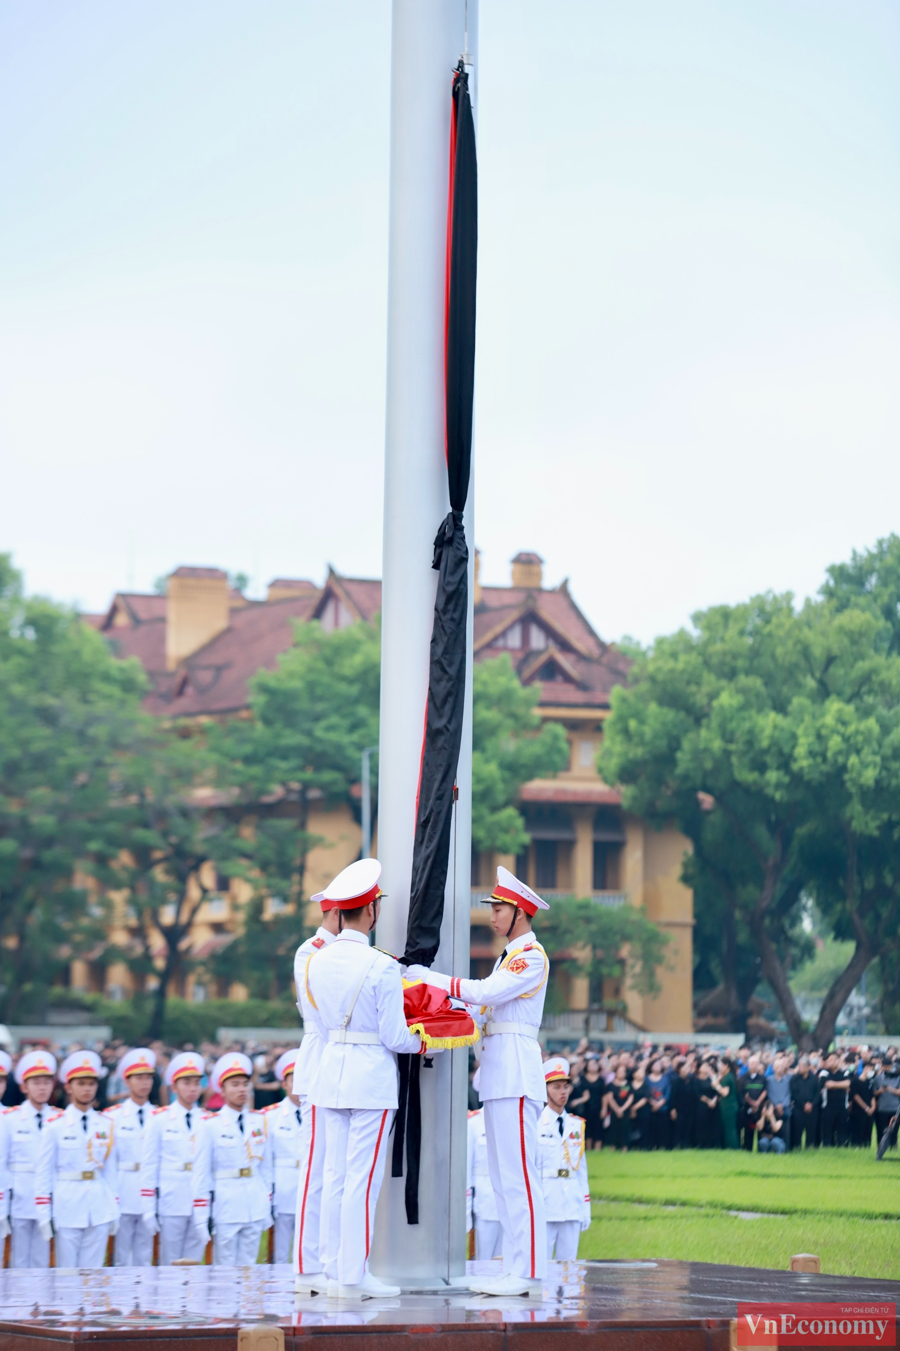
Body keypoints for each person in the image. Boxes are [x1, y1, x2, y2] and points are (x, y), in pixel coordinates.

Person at [409, 864, 550, 1299]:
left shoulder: (530, 955)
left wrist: (431, 979)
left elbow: (486, 995)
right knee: (504, 1177)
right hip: (498, 1075)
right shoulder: (510, 956)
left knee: (519, 1177)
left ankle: (526, 1272)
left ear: (520, 913)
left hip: (515, 1075)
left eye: (499, 907)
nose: (491, 914)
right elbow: (477, 1013)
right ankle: (517, 1268)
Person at [306, 858, 427, 1300]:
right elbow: (396, 1036)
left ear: (341, 911)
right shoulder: (380, 966)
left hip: (330, 1073)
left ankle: (336, 1269)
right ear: (371, 911)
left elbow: (318, 1026)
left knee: (335, 1176)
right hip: (371, 1080)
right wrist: (426, 1040)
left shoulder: (316, 961)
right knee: (362, 1179)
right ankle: (354, 1276)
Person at [291, 881, 341, 1293]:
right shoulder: (312, 950)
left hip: (341, 1061)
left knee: (339, 1170)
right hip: (322, 1054)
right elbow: (318, 1012)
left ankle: (333, 1260)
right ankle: (308, 1265)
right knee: (317, 1169)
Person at [34, 1050, 119, 1269]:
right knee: (67, 1273)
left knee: (93, 1275)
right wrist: (44, 1212)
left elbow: (110, 1171)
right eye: (81, 1083)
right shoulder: (55, 1125)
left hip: (98, 1205)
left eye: (91, 1083)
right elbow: (44, 1171)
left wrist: (114, 1208)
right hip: (67, 1204)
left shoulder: (105, 1124)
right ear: (69, 1087)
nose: (87, 1088)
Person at [140, 1050, 211, 1264]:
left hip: (201, 1198)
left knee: (195, 1259)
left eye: (196, 1083)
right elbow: (149, 1164)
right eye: (186, 1083)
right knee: (170, 1260)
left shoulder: (209, 1120)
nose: (192, 1089)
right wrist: (148, 1207)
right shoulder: (159, 1120)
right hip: (172, 1198)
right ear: (174, 1087)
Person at [205, 1051, 273, 1265]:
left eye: (245, 1084)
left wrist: (267, 1203)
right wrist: (202, 1211)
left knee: (250, 1267)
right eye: (234, 1084)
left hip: (254, 1202)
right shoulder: (210, 1125)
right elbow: (202, 1172)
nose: (242, 1089)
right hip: (226, 1204)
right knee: (224, 1268)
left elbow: (266, 1168)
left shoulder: (259, 1121)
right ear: (222, 1090)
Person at [0, 1050, 58, 1268]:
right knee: (19, 1259)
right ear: (25, 1087)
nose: (42, 1088)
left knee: (43, 1259)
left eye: (46, 1082)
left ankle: (41, 1302)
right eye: (36, 1083)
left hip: (50, 1196)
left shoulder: (59, 1118)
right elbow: (2, 1163)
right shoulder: (10, 1119)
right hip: (20, 1196)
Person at [105, 1046, 156, 1266]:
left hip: (149, 1190)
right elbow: (108, 1161)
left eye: (148, 1078)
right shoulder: (112, 1117)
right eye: (138, 1078)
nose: (144, 1083)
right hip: (123, 1188)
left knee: (145, 1253)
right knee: (121, 1254)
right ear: (127, 1081)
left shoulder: (161, 1116)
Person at [538, 1058, 590, 1261]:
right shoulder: (535, 1124)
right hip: (546, 1202)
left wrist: (585, 1207)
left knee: (569, 1265)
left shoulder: (576, 1125)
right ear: (545, 1090)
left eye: (566, 1087)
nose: (563, 1092)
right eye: (556, 1087)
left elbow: (581, 1171)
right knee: (543, 1264)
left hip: (571, 1202)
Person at [263, 1048, 304, 1264]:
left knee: (308, 1249)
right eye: (293, 1079)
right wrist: (269, 1194)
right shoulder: (270, 1116)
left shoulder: (321, 1113)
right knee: (280, 1252)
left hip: (310, 1190)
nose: (298, 1084)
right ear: (284, 1084)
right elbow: (267, 1161)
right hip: (283, 1191)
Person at [467, 1102, 503, 1259]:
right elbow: (466, 1169)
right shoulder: (473, 1123)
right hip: (484, 1204)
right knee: (482, 1261)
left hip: (508, 1204)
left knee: (505, 1262)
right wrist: (467, 1210)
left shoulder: (509, 1121)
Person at [820, 1054, 851, 1147]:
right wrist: (841, 1085)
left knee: (842, 1131)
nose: (833, 1061)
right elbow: (828, 1085)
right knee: (828, 1131)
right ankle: (828, 1148)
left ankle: (842, 1148)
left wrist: (834, 1084)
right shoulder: (824, 1073)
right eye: (830, 1060)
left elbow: (848, 1083)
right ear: (827, 1062)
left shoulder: (845, 1072)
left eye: (835, 1059)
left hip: (842, 1106)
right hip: (828, 1107)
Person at [601, 1064, 633, 1152]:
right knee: (614, 1129)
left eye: (624, 1071)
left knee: (625, 1128)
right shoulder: (611, 1085)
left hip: (625, 1110)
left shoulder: (628, 1084)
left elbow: (630, 1098)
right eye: (620, 1071)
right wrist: (617, 1109)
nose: (622, 1073)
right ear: (616, 1073)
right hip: (614, 1111)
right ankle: (613, 1148)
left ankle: (624, 1148)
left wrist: (622, 1109)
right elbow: (609, 1098)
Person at [789, 1056, 819, 1149]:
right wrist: (803, 1104)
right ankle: (796, 1147)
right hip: (798, 1107)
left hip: (812, 1108)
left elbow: (817, 1094)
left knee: (811, 1129)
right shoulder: (794, 1079)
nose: (801, 1068)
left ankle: (810, 1147)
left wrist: (811, 1104)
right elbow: (794, 1093)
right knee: (797, 1129)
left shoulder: (814, 1079)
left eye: (803, 1066)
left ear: (808, 1067)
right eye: (800, 1066)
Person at [740, 1056, 767, 1150]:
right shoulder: (743, 1078)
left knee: (760, 1130)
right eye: (751, 1063)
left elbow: (765, 1091)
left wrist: (758, 1103)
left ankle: (760, 1150)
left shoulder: (763, 1078)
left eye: (756, 1063)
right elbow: (742, 1093)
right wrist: (751, 1103)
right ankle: (747, 1149)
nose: (754, 1066)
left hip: (759, 1109)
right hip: (747, 1109)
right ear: (748, 1065)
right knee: (748, 1131)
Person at [849, 1062, 876, 1149]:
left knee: (868, 1130)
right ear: (865, 1069)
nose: (871, 1071)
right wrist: (867, 1108)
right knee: (858, 1130)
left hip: (869, 1112)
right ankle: (857, 1146)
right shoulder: (855, 1081)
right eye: (870, 1069)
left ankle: (866, 1146)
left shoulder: (869, 1082)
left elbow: (872, 1096)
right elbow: (855, 1096)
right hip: (858, 1111)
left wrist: (873, 1107)